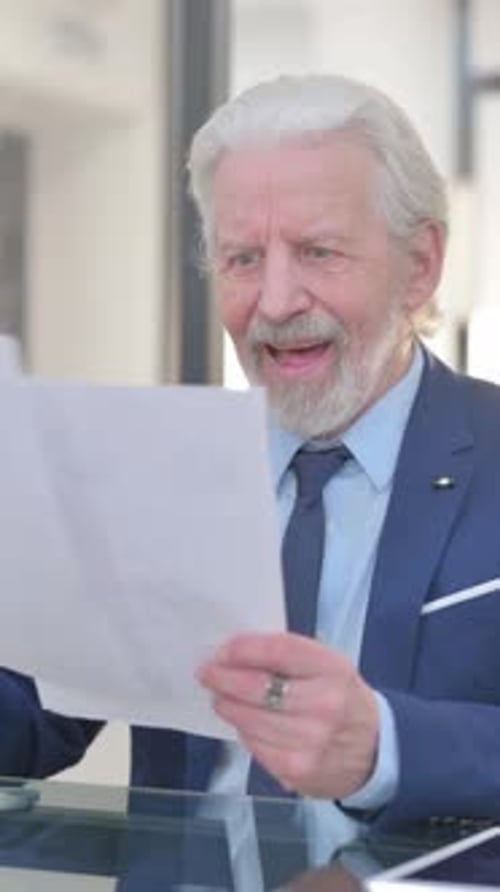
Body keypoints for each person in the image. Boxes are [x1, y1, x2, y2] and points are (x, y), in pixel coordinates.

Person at [1, 74, 500, 851]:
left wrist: (388, 748)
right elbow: (30, 720)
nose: (273, 303)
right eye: (240, 258)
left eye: (318, 251)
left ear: (421, 266)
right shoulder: (147, 468)